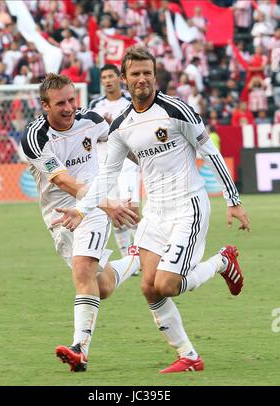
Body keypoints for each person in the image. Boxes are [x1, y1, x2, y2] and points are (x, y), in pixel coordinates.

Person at [53, 47, 251, 374]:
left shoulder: (176, 110)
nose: (142, 78)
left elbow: (210, 151)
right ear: (125, 80)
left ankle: (222, 260)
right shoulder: (121, 126)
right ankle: (188, 356)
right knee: (149, 286)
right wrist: (80, 209)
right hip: (154, 213)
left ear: (155, 75)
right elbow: (106, 177)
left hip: (188, 207)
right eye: (135, 74)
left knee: (168, 284)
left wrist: (233, 199)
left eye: (147, 72)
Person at [21, 73, 140, 373]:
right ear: (44, 106)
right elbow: (62, 180)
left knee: (82, 269)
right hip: (59, 217)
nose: (69, 107)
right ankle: (136, 259)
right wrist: (107, 202)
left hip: (94, 209)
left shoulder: (92, 120)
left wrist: (151, 164)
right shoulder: (35, 138)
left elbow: (123, 142)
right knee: (100, 286)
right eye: (60, 103)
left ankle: (79, 349)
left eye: (72, 100)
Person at [89, 64, 140, 259]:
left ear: (119, 78)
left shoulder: (130, 101)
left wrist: (113, 128)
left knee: (132, 210)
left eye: (111, 76)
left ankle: (141, 253)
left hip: (128, 164)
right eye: (104, 78)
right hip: (105, 164)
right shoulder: (95, 105)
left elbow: (136, 130)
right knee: (115, 211)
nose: (108, 80)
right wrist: (102, 132)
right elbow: (90, 135)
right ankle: (128, 257)